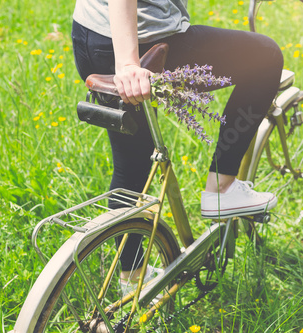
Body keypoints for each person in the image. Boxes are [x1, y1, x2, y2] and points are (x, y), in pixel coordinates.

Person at [72, 0, 282, 287]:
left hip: (92, 35)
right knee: (266, 57)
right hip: (145, 41)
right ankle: (221, 189)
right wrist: (128, 63)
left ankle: (132, 280)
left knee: (132, 166)